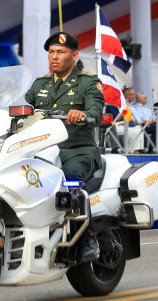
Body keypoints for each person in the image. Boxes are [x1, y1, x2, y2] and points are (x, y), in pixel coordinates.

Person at [25, 32, 104, 263]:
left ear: (74, 55)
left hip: (77, 149)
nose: (54, 57)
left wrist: (83, 114)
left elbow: (96, 111)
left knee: (70, 181)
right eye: (51, 52)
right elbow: (20, 106)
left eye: (60, 52)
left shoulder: (88, 82)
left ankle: (87, 240)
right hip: (42, 150)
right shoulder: (40, 84)